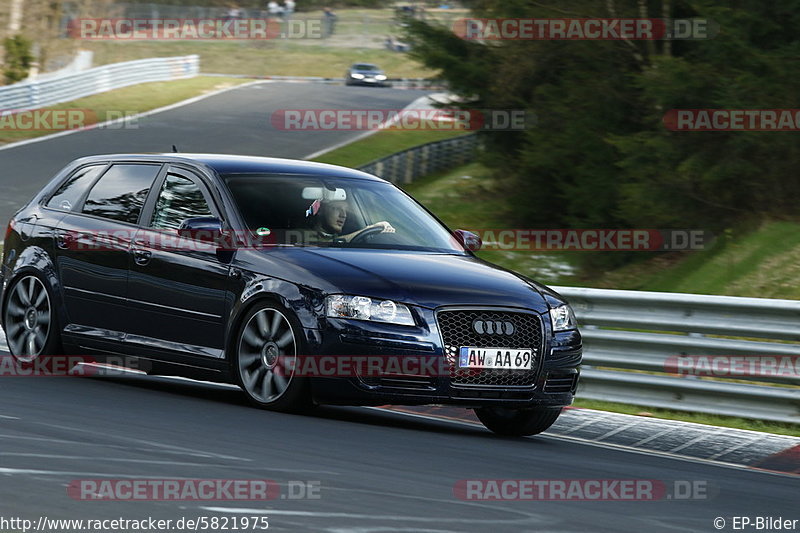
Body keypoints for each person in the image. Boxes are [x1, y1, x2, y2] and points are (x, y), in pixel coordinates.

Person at [307, 199, 394, 243]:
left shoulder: (337, 236)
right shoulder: (302, 235)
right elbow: (327, 244)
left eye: (346, 211)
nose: (343, 215)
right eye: (337, 209)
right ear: (320, 211)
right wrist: (369, 228)